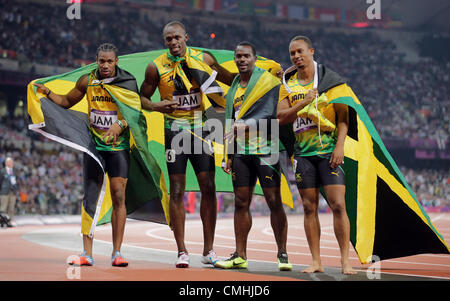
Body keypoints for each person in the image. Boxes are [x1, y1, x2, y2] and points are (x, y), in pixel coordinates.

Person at [140, 21, 235, 268]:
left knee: (209, 187)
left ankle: (208, 250)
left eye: (177, 37)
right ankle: (182, 251)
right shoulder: (155, 67)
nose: (173, 42)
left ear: (186, 37)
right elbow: (142, 97)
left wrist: (263, 74)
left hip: (202, 129)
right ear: (165, 42)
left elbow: (232, 79)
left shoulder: (203, 58)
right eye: (168, 39)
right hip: (174, 131)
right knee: (177, 190)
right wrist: (155, 106)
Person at [33, 43, 131, 267]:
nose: (105, 65)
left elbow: (135, 112)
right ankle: (87, 253)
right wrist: (47, 92)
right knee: (90, 197)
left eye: (109, 61)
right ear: (96, 61)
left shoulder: (126, 82)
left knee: (118, 196)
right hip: (94, 146)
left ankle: (117, 252)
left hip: (118, 147)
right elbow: (67, 102)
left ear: (117, 62)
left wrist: (120, 124)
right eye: (101, 61)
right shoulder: (87, 81)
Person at [277, 35, 356, 274]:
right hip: (303, 154)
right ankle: (316, 261)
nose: (296, 56)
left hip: (328, 152)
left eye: (300, 51)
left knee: (338, 205)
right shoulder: (287, 85)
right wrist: (303, 103)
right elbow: (281, 118)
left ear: (311, 51)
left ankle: (345, 260)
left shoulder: (331, 82)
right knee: (309, 208)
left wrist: (340, 147)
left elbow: (344, 119)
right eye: (292, 53)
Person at [214, 41, 292, 271]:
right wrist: (228, 154)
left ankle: (283, 254)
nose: (241, 60)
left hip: (267, 150)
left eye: (246, 56)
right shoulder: (235, 87)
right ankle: (240, 255)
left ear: (254, 59)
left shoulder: (269, 83)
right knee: (241, 202)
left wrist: (249, 125)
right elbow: (230, 120)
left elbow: (279, 116)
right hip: (240, 152)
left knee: (273, 201)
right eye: (238, 56)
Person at [0, 157, 18, 227]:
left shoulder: (14, 171)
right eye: (11, 162)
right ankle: (2, 222)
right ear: (6, 163)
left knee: (11, 208)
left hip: (12, 191)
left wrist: (16, 189)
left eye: (12, 162)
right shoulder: (2, 171)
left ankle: (9, 222)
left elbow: (15, 181)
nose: (12, 163)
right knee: (3, 208)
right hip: (4, 191)